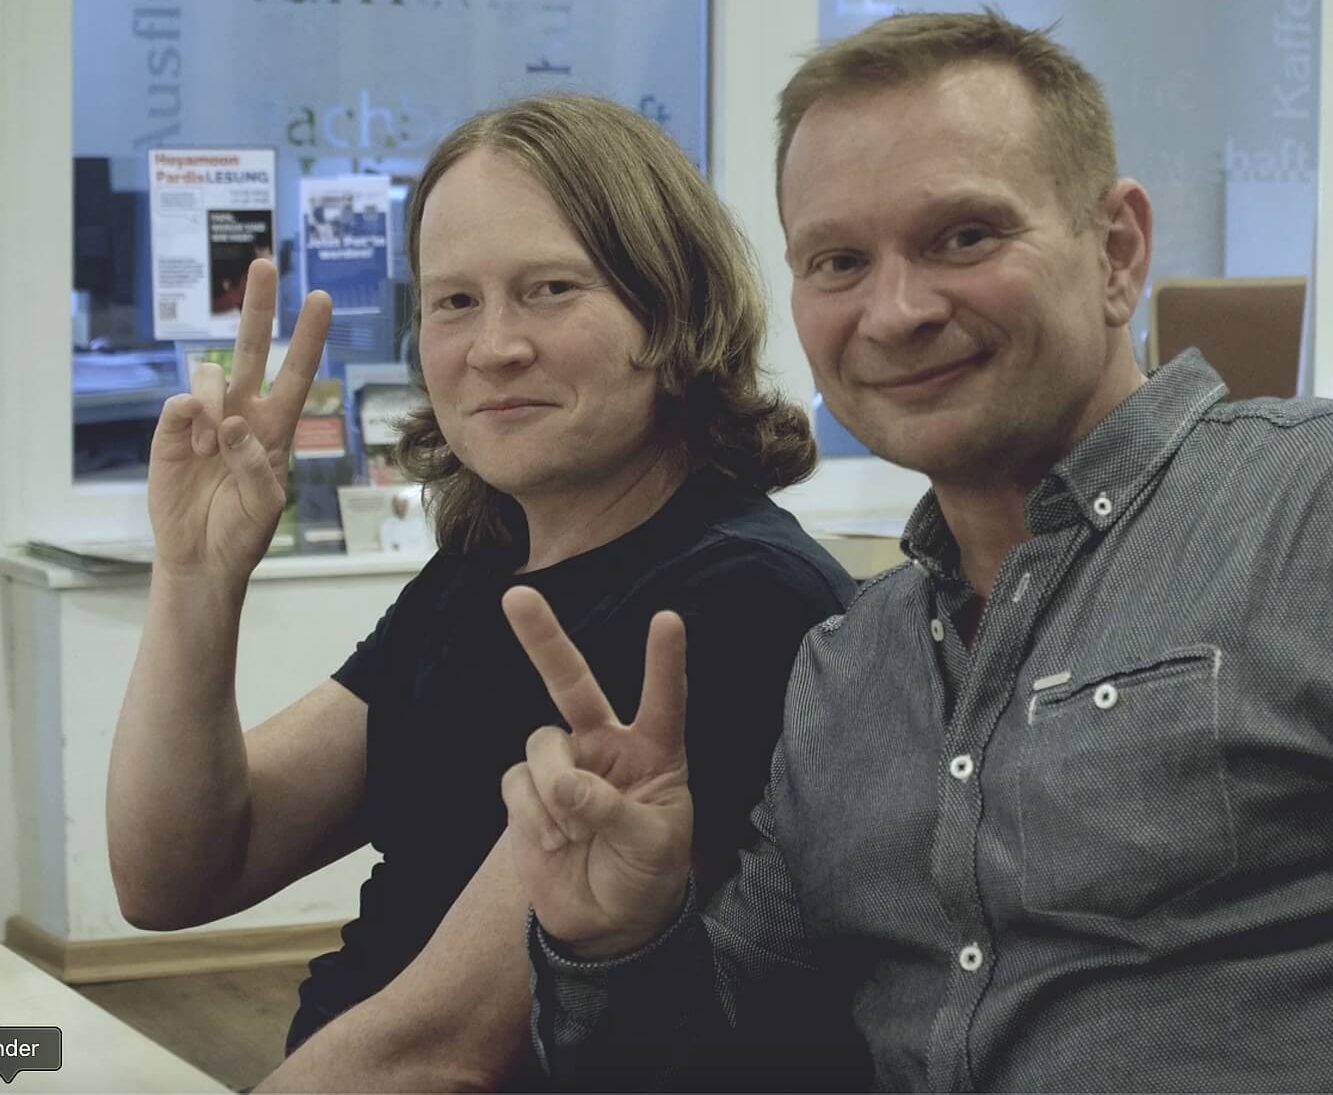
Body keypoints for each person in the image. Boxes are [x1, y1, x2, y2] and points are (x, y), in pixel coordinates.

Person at [505, 13, 1333, 1090]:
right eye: (838, 261)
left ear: (1118, 249)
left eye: (964, 235)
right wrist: (620, 936)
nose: (897, 309)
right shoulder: (847, 674)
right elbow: (734, 1060)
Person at [105, 93, 855, 1090]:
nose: (493, 346)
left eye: (549, 288)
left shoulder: (740, 598)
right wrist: (197, 575)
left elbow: (442, 1053)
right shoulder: (484, 561)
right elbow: (178, 869)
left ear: (672, 309)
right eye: (455, 301)